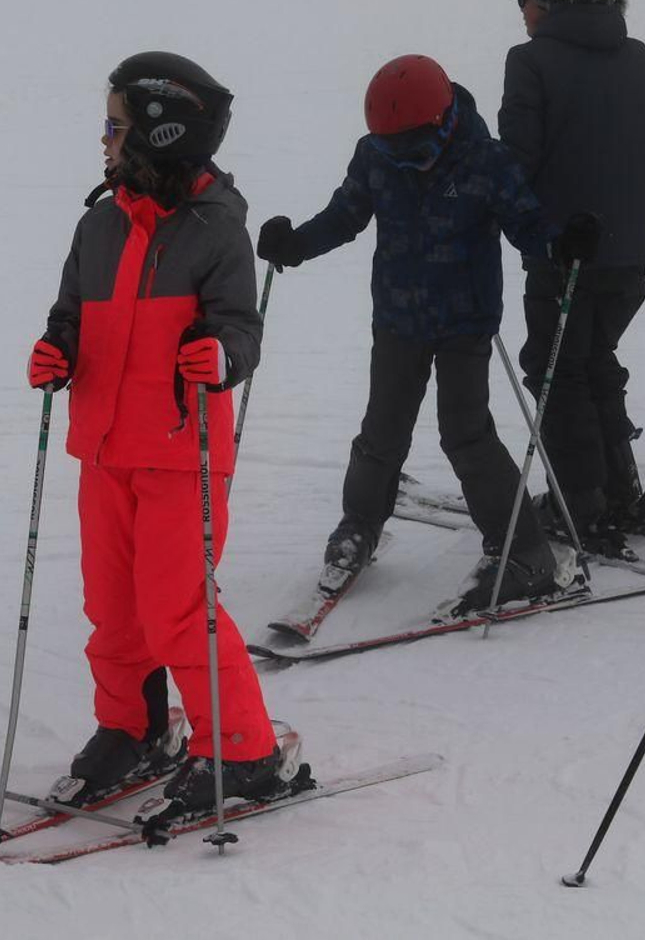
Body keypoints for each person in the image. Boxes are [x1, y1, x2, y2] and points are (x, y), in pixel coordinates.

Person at [30, 51, 283, 813]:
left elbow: (241, 327)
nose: (104, 139)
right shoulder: (100, 224)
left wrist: (221, 355)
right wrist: (58, 351)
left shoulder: (215, 233)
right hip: (104, 452)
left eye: (116, 125)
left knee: (177, 608)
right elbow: (70, 313)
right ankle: (132, 727)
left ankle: (242, 750)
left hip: (183, 455)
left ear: (160, 134)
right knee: (112, 607)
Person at [256, 54, 598, 614]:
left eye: (411, 151)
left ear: (443, 123)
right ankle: (359, 526)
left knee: (465, 433)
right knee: (382, 430)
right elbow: (346, 214)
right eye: (391, 152)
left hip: (465, 322)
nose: (404, 163)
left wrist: (563, 243)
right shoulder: (376, 156)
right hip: (396, 318)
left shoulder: (486, 161)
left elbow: (527, 225)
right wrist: (295, 245)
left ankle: (524, 550)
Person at [498, 0, 645, 554]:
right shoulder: (635, 54)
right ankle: (617, 490)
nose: (522, 12)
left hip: (564, 255)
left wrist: (509, 217)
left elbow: (518, 160)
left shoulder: (530, 62)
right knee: (595, 362)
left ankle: (581, 503)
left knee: (557, 373)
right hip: (628, 256)